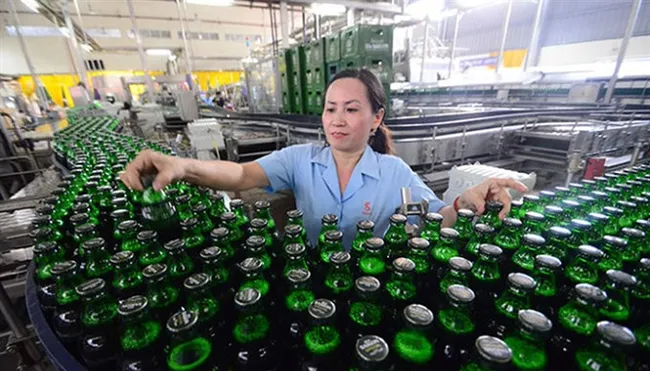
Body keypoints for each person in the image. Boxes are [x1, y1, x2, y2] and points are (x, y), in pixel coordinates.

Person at [120, 68, 527, 249]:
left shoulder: (394, 172)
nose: (337, 119)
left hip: (370, 286)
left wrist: (465, 202)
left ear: (376, 118)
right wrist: (183, 166)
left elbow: (440, 217)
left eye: (351, 109)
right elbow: (241, 175)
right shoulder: (300, 161)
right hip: (311, 279)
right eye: (331, 109)